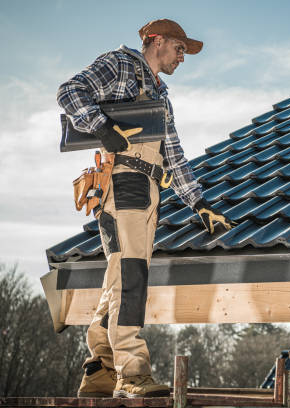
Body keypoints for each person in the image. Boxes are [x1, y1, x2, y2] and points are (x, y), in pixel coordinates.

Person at [57, 19, 234, 398]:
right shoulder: (121, 65)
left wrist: (199, 203)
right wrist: (102, 127)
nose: (183, 57)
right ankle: (132, 373)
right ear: (156, 41)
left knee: (119, 279)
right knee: (132, 276)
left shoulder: (161, 94)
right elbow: (70, 92)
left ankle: (100, 370)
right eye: (180, 48)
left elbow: (173, 153)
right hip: (124, 184)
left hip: (149, 189)